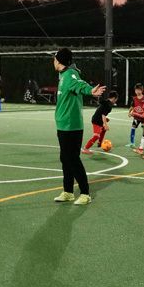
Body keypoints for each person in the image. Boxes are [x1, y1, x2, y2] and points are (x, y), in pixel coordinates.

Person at [52, 48, 105, 205]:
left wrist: (91, 90)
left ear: (59, 60)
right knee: (65, 158)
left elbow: (80, 85)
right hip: (63, 124)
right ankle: (68, 191)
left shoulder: (70, 74)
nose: (53, 61)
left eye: (54, 58)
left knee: (73, 159)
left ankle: (85, 193)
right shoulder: (62, 75)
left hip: (71, 125)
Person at [128, 82, 144, 147]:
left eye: (139, 90)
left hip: (143, 118)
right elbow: (132, 107)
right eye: (136, 90)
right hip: (136, 118)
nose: (137, 91)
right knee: (133, 128)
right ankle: (132, 142)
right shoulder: (134, 99)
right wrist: (129, 112)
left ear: (142, 90)